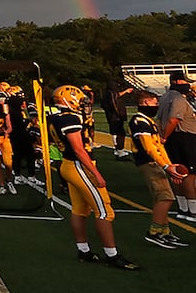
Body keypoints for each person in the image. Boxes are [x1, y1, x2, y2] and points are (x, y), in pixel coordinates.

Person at [49, 83, 138, 269]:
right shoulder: (69, 119)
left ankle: (83, 250)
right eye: (80, 100)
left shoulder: (58, 117)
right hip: (79, 166)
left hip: (69, 164)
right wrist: (96, 174)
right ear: (69, 100)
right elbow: (79, 150)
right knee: (105, 211)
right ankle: (112, 255)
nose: (83, 104)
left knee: (80, 210)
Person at [128, 91, 190, 249]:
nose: (157, 106)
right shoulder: (139, 121)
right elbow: (149, 147)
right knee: (165, 198)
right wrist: (165, 166)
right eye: (154, 103)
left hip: (156, 162)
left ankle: (164, 231)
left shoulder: (148, 121)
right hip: (149, 163)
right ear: (144, 103)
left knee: (162, 197)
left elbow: (159, 147)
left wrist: (170, 166)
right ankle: (155, 232)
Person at [156, 73, 196, 224]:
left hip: (174, 139)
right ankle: (193, 211)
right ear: (178, 81)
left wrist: (163, 137)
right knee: (189, 175)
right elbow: (174, 119)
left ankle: (183, 208)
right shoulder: (178, 98)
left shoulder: (165, 97)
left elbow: (160, 119)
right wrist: (165, 136)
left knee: (177, 174)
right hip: (184, 137)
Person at [102, 78, 133, 158]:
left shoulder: (106, 93)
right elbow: (115, 96)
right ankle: (120, 150)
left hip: (111, 115)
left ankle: (118, 149)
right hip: (115, 116)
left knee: (115, 132)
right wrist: (126, 91)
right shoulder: (111, 93)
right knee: (120, 133)